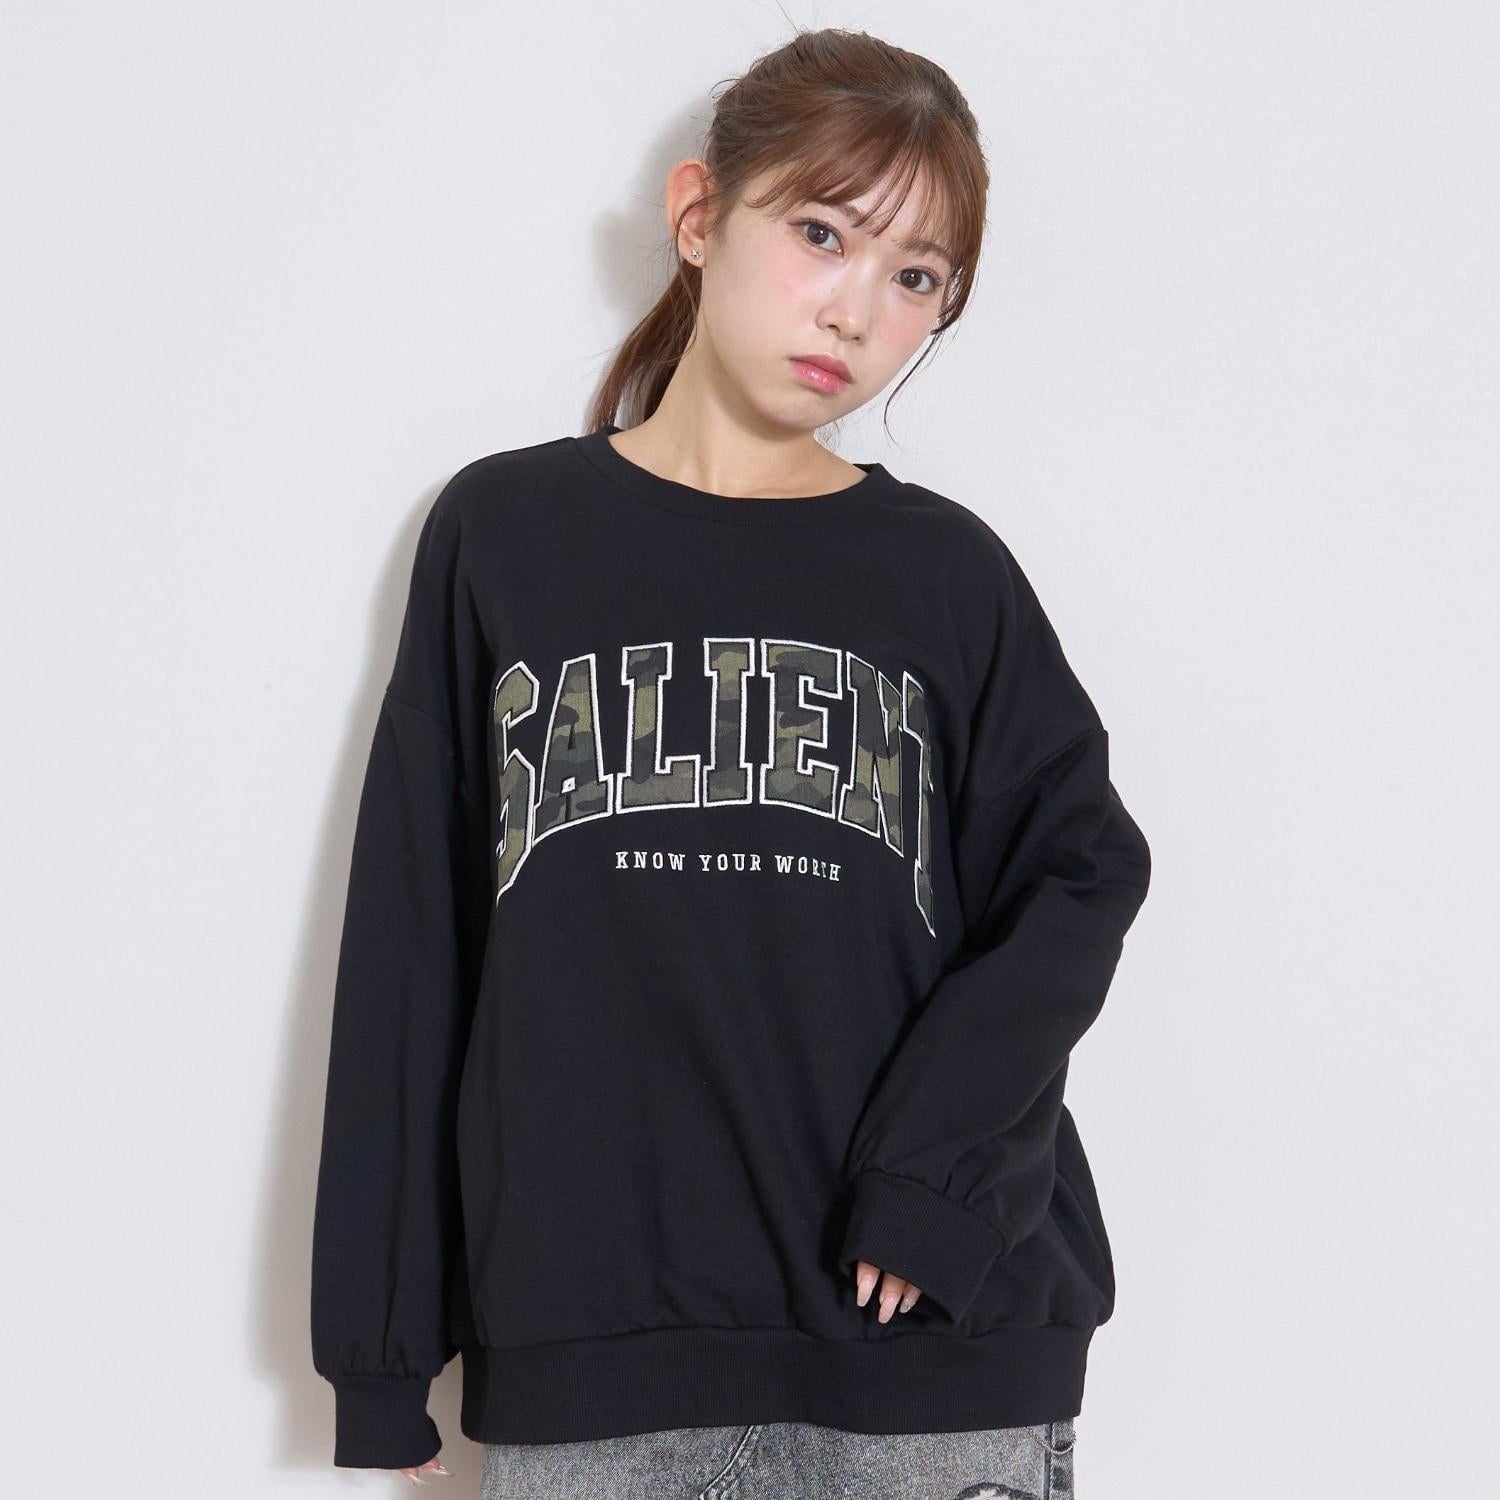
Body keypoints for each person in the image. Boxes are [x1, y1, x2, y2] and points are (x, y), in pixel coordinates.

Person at [310, 24, 1150, 1499]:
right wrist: (383, 1350)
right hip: (597, 1365)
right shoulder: (509, 537)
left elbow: (1079, 877)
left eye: (917, 278)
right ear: (700, 216)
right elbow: (414, 938)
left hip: (928, 1365)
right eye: (822, 233)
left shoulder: (945, 576)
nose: (857, 310)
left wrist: (936, 1181)